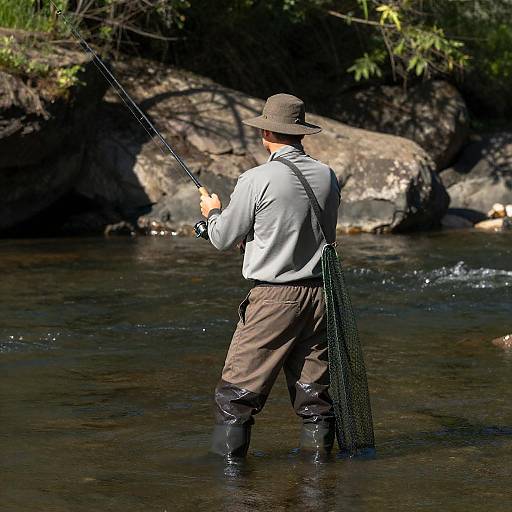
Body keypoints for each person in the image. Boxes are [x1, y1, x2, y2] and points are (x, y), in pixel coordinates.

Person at [199, 93, 340, 458]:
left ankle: (230, 484)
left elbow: (222, 238)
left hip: (275, 298)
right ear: (300, 133)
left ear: (266, 133)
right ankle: (319, 482)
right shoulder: (327, 176)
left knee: (235, 396)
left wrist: (212, 213)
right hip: (321, 297)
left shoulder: (255, 179)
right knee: (314, 397)